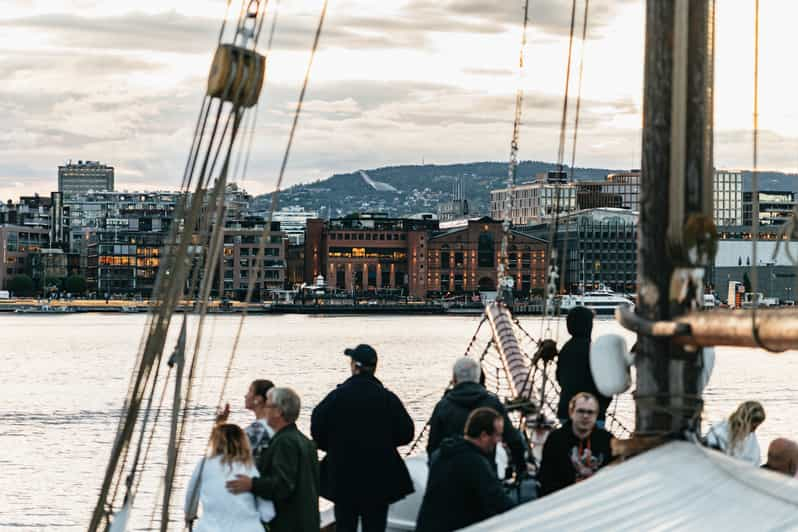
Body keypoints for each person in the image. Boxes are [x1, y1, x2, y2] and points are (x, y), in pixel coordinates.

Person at [311, 344, 414, 532]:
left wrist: (334, 446)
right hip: (379, 476)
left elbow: (317, 430)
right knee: (375, 526)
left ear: (355, 367)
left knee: (345, 524)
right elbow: (407, 433)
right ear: (374, 368)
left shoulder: (335, 397)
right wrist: (384, 443)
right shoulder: (387, 398)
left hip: (343, 475)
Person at [227, 387, 320, 532]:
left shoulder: (284, 443)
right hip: (307, 521)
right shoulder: (305, 442)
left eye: (268, 406)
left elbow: (283, 485)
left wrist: (252, 484)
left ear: (278, 412)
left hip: (289, 524)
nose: (264, 410)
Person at [415, 407, 515, 532]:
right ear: (484, 435)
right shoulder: (475, 462)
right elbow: (497, 500)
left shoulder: (441, 453)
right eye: (497, 435)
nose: (499, 440)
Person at [426, 357, 526, 473]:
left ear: (454, 378)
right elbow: (513, 440)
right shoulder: (493, 404)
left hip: (452, 475)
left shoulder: (443, 406)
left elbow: (433, 447)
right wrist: (521, 470)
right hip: (485, 473)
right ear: (479, 378)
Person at [184, 423, 274, 532]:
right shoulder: (249, 468)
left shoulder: (204, 464)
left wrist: (190, 515)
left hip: (209, 528)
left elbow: (191, 495)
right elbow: (268, 512)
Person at [538, 392, 613, 496]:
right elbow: (546, 477)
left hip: (597, 495)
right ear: (571, 413)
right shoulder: (556, 439)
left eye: (590, 412)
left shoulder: (606, 440)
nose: (585, 416)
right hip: (564, 496)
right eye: (580, 411)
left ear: (596, 416)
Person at [556, 306, 612, 425]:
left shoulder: (566, 349)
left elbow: (559, 378)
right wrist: (602, 406)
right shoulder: (596, 350)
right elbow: (607, 386)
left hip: (566, 411)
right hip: (592, 414)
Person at [706, 400, 766, 465]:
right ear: (746, 421)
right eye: (753, 427)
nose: (753, 431)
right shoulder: (718, 433)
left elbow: (755, 460)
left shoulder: (750, 436)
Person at [244, 379, 275, 461]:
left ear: (258, 399)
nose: (245, 396)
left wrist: (220, 423)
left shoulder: (256, 429)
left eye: (250, 391)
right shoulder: (277, 425)